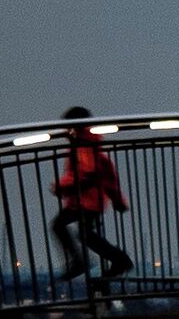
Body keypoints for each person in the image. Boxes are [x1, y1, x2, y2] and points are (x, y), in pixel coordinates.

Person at [51, 109, 132, 289]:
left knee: (60, 226)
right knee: (86, 233)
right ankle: (118, 260)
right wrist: (118, 200)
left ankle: (83, 261)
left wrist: (60, 186)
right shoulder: (91, 144)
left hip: (84, 201)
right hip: (91, 201)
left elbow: (87, 173)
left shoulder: (82, 145)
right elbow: (107, 174)